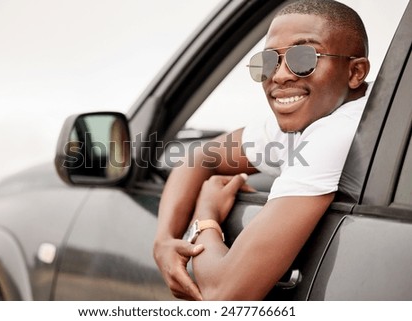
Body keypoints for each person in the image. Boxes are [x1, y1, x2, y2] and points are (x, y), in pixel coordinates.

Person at [153, 0, 371, 300]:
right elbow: (199, 157)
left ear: (355, 72)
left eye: (304, 57)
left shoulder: (339, 130)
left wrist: (206, 213)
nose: (279, 76)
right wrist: (163, 241)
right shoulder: (316, 115)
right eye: (268, 61)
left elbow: (223, 295)